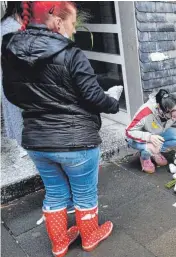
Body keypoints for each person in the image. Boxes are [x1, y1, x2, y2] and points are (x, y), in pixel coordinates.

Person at [2, 2, 123, 256]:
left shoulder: (11, 49)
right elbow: (92, 96)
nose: (74, 29)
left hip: (37, 141)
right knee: (85, 194)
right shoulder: (71, 53)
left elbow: (12, 94)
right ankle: (89, 237)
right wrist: (113, 102)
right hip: (77, 141)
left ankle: (59, 243)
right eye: (72, 22)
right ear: (58, 22)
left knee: (55, 193)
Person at [1, 2, 27, 158]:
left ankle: (23, 143)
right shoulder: (9, 26)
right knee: (16, 110)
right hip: (13, 76)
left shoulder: (16, 23)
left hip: (17, 76)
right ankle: (22, 145)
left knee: (17, 110)